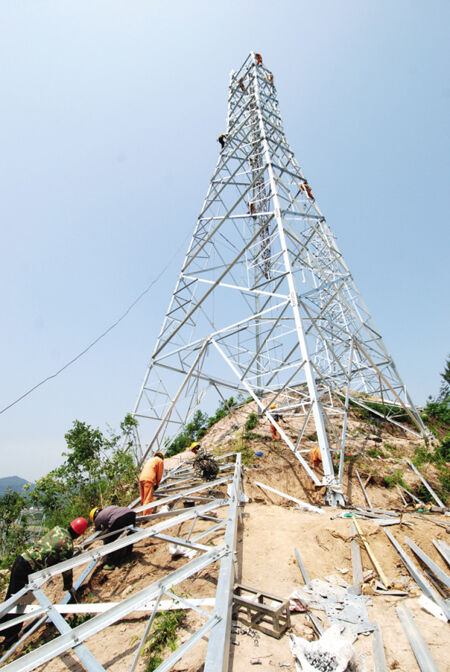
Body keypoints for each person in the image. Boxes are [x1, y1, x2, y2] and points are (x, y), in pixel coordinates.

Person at [0, 517, 88, 649]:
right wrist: (69, 587)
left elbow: (52, 544)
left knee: (11, 600)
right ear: (78, 534)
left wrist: (71, 548)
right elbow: (66, 569)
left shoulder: (59, 529)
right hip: (27, 570)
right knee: (18, 604)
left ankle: (6, 632)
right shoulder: (67, 547)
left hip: (21, 561)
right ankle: (9, 639)